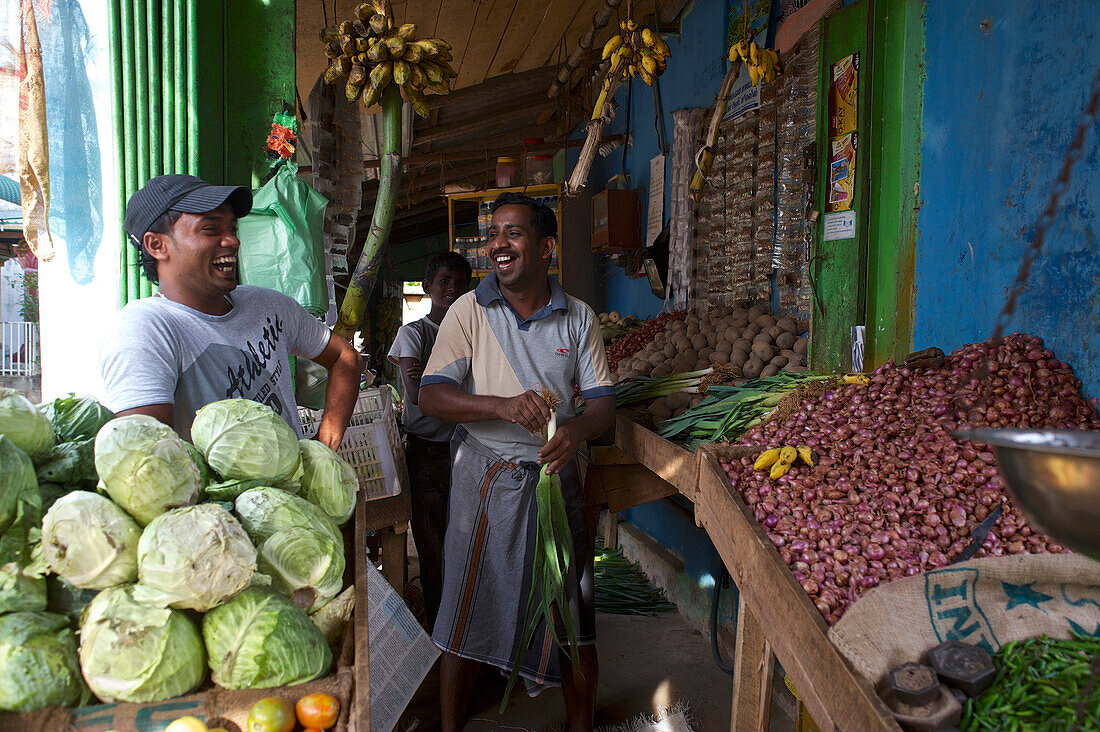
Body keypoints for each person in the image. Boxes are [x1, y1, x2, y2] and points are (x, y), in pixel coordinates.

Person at [418, 192, 616, 732]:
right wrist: (501, 407)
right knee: (464, 611)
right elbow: (431, 396)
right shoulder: (469, 311)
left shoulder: (578, 318)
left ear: (547, 246)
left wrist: (575, 430)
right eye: (494, 234)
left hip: (556, 480)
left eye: (513, 233)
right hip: (486, 482)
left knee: (571, 614)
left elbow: (602, 402)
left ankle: (581, 726)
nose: (498, 245)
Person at [99, 174, 362, 448]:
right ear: (157, 245)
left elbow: (345, 357)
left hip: (290, 487)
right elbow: (147, 457)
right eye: (211, 229)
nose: (233, 241)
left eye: (232, 229)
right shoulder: (145, 330)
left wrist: (325, 444)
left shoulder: (268, 305)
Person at [386, 251, 472, 627]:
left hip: (467, 451)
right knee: (433, 546)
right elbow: (419, 394)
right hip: (426, 454)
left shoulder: (472, 331)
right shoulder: (414, 333)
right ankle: (440, 628)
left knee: (465, 543)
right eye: (444, 282)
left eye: (459, 283)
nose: (451, 290)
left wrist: (437, 380)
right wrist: (463, 393)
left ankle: (464, 626)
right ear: (427, 287)